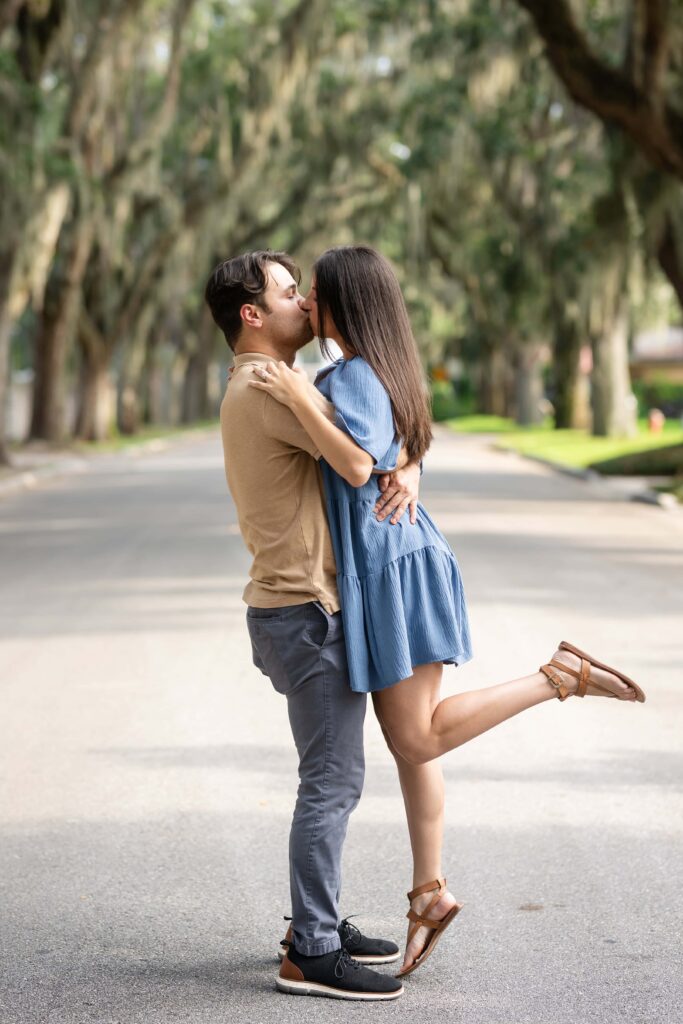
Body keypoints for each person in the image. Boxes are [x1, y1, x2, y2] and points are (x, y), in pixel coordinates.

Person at [247, 244, 647, 978]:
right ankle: (427, 893)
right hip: (389, 567)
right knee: (411, 742)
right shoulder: (361, 370)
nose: (305, 304)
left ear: (346, 305)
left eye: (316, 294)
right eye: (297, 294)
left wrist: (301, 394)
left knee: (419, 737)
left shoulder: (357, 375)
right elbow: (391, 448)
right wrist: (406, 459)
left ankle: (557, 676)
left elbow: (359, 460)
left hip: (397, 570)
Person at [204, 251, 413, 1002]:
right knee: (330, 782)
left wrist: (410, 463)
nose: (306, 304)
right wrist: (385, 456)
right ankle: (312, 950)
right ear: (252, 315)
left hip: (292, 608)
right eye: (290, 293)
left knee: (331, 778)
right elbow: (360, 463)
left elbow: (384, 436)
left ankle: (312, 925)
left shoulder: (280, 384)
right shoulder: (268, 386)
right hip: (301, 610)